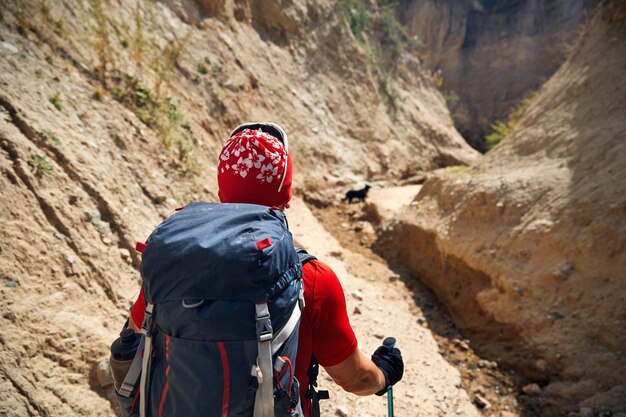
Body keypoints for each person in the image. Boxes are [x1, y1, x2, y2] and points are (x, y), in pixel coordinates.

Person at [127, 122, 404, 416]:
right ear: (287, 195)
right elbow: (355, 377)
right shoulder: (310, 279)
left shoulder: (179, 264)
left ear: (221, 190)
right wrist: (384, 373)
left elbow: (133, 342)